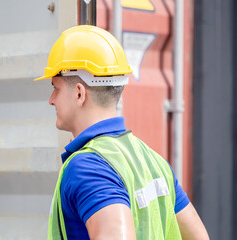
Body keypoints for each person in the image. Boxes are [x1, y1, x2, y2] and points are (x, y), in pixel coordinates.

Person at [35, 25, 209, 240]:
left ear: (79, 94)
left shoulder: (88, 167)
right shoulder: (152, 160)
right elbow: (199, 237)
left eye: (56, 88)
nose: (51, 100)